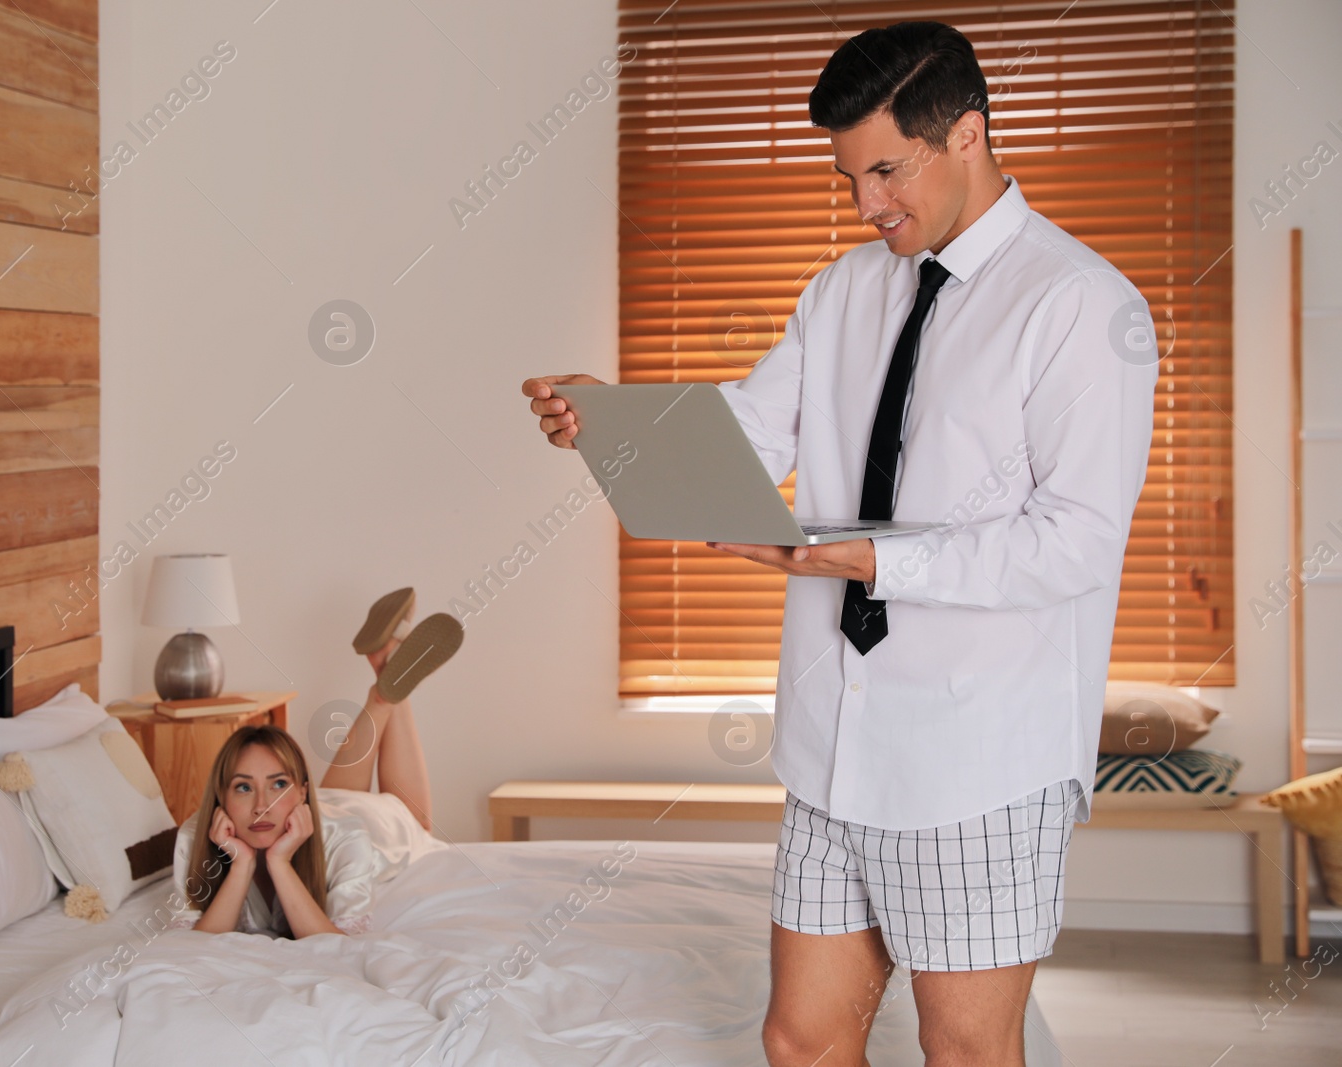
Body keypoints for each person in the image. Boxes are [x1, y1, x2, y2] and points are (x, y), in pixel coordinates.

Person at [522, 21, 1157, 1067]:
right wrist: (617, 422)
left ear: (967, 134)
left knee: (962, 1046)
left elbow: (1074, 543)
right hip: (833, 744)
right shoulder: (845, 290)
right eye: (848, 177)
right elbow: (753, 430)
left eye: (884, 171)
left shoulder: (1080, 305)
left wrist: (874, 560)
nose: (866, 205)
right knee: (802, 1037)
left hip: (977, 759)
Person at [173, 588, 462, 938]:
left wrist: (279, 863)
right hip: (319, 806)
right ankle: (385, 681)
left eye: (279, 784)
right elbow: (194, 944)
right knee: (337, 794)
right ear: (220, 796)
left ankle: (385, 691)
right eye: (243, 787)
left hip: (350, 821)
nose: (262, 806)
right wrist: (242, 864)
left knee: (415, 822)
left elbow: (338, 946)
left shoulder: (349, 838)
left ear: (301, 791)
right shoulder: (194, 837)